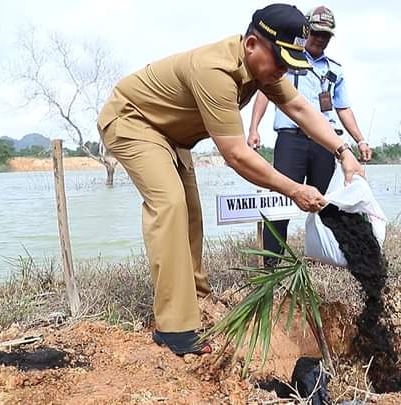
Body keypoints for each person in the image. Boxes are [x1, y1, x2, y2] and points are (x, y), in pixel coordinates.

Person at [97, 4, 365, 356]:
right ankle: (174, 329)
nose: (283, 71)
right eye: (280, 62)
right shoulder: (215, 71)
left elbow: (300, 109)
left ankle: (198, 299)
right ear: (252, 44)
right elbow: (237, 154)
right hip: (133, 122)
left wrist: (343, 151)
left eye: (289, 64)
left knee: (190, 214)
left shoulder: (263, 70)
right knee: (170, 205)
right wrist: (294, 189)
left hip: (171, 137)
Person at [246, 5, 372, 261]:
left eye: (326, 36)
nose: (320, 39)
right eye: (316, 33)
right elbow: (266, 92)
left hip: (324, 144)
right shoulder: (288, 58)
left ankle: (327, 255)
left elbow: (343, 107)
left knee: (327, 202)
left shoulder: (334, 69)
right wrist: (254, 128)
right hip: (291, 140)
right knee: (279, 203)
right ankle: (272, 262)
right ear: (307, 32)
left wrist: (360, 140)